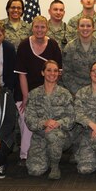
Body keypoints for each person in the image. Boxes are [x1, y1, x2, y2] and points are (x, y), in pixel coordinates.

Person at [15, 15, 63, 165]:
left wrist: (50, 94)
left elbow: (57, 73)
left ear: (47, 29)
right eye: (36, 27)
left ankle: (46, 154)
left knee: (48, 121)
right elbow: (21, 74)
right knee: (26, 120)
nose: (39, 30)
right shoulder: (24, 45)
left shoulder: (53, 45)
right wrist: (25, 97)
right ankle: (25, 155)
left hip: (47, 92)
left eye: (43, 27)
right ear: (32, 28)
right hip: (26, 92)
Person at [25, 60, 74, 180]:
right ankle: (47, 154)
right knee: (34, 171)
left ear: (58, 73)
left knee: (53, 135)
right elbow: (29, 119)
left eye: (55, 71)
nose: (52, 73)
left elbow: (71, 118)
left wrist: (57, 123)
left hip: (61, 135)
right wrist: (45, 123)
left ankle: (55, 167)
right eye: (49, 70)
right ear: (42, 73)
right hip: (40, 136)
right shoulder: (34, 94)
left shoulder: (65, 94)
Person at [62, 16, 96, 94]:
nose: (85, 28)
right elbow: (66, 73)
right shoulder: (70, 47)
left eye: (88, 26)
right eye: (82, 26)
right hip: (76, 91)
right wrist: (78, 92)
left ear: (93, 28)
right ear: (77, 28)